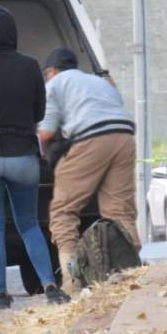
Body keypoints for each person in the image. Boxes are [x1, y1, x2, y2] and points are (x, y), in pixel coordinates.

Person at [0, 5, 70, 309]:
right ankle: (50, 287)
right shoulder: (30, 66)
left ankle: (0, 294)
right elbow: (40, 113)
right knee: (30, 225)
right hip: (22, 155)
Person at [37, 48, 139, 292]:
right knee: (119, 210)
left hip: (90, 139)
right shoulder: (99, 82)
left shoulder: (55, 84)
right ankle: (129, 272)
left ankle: (71, 282)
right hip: (124, 137)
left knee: (63, 211)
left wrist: (43, 154)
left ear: (51, 71)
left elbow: (46, 133)